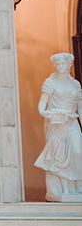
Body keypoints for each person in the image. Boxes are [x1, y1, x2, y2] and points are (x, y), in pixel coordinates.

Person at [34, 53, 82, 199]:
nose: (60, 66)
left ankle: (78, 183)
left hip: (72, 123)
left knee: (77, 151)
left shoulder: (75, 84)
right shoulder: (50, 83)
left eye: (63, 64)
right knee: (60, 157)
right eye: (58, 64)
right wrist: (50, 113)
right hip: (56, 124)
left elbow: (80, 107)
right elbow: (42, 106)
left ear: (69, 65)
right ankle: (65, 190)